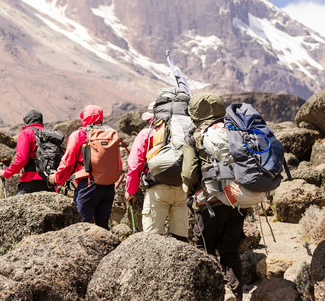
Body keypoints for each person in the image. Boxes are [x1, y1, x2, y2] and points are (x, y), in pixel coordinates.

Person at [182, 93, 245, 300]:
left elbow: (189, 173)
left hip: (208, 202)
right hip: (237, 200)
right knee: (230, 251)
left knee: (205, 251)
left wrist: (190, 192)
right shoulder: (235, 129)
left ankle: (213, 294)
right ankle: (235, 294)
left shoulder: (195, 135)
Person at [49, 105, 121, 229]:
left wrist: (57, 178)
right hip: (109, 186)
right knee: (103, 227)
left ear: (85, 117)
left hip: (88, 185)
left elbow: (68, 161)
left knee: (80, 227)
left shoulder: (79, 134)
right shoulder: (111, 134)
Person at [126, 103, 189, 241]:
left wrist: (131, 191)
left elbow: (135, 164)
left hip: (157, 188)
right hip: (181, 187)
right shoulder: (180, 132)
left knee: (152, 239)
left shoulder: (147, 133)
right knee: (181, 237)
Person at [0, 109, 52, 194]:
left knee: (18, 206)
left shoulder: (26, 133)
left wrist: (6, 173)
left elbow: (22, 159)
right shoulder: (49, 134)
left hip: (31, 180)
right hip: (49, 180)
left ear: (26, 120)